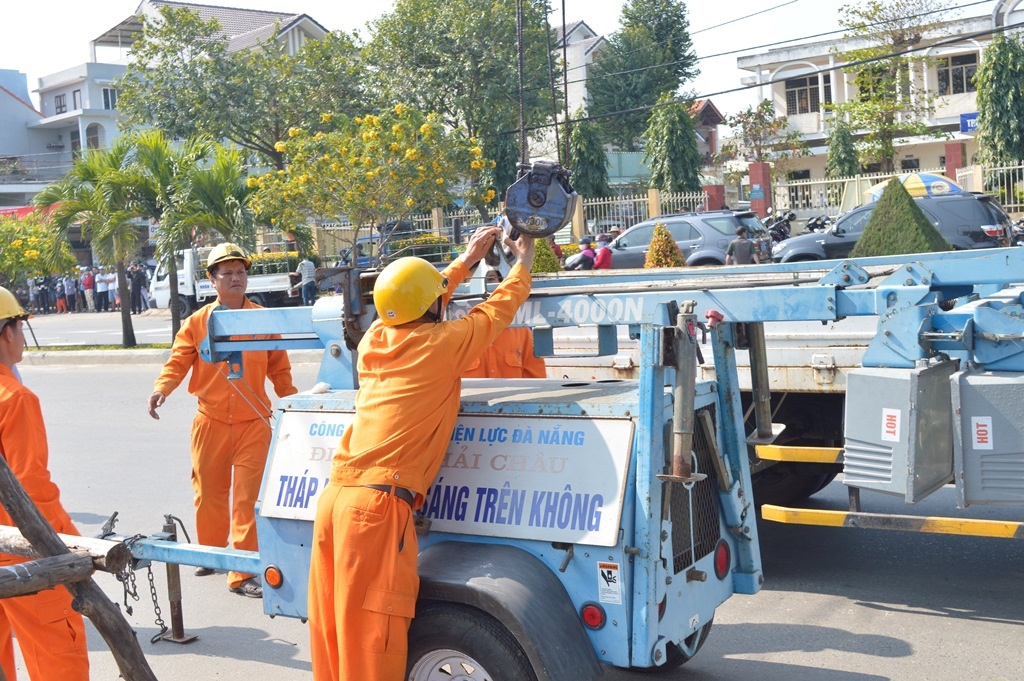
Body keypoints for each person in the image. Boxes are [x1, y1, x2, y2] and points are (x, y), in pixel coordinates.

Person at [308, 225, 536, 681]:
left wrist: (466, 261)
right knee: (376, 636)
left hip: (336, 501)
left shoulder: (374, 340)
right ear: (432, 305)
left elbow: (416, 301)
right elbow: (498, 310)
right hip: (376, 509)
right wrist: (523, 262)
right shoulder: (441, 345)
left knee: (335, 635)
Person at [148, 243, 297, 598]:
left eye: (241, 273)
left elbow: (279, 366)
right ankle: (211, 553)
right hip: (210, 420)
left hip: (254, 422)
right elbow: (178, 361)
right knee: (209, 493)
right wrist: (162, 389)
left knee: (248, 499)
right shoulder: (196, 322)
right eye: (227, 273)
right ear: (212, 280)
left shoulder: (262, 319)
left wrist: (292, 403)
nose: (236, 279)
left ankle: (242, 573)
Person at [0, 286, 90, 681]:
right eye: (21, 326)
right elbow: (30, 490)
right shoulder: (15, 398)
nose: (22, 336)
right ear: (7, 332)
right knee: (58, 651)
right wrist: (70, 543)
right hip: (20, 552)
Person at [463, 267, 546, 379]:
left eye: (491, 279)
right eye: (475, 279)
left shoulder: (522, 331)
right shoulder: (456, 333)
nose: (485, 285)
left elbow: (537, 380)